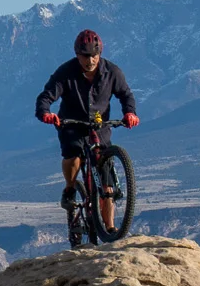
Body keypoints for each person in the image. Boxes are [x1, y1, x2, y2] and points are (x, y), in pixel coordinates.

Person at [34, 29, 139, 237]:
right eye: (85, 56)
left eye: (94, 56)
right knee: (73, 154)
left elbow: (126, 95)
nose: (90, 60)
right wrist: (46, 113)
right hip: (72, 124)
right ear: (77, 55)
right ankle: (70, 188)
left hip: (100, 127)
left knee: (106, 182)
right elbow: (46, 97)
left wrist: (130, 113)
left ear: (100, 54)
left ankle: (109, 228)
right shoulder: (66, 72)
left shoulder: (113, 72)